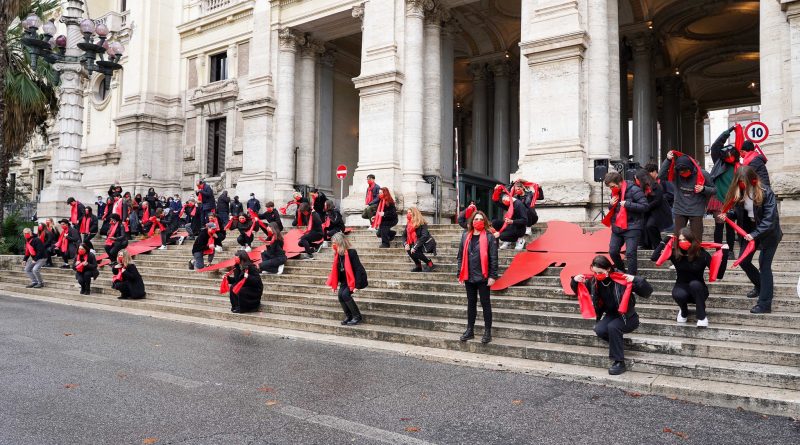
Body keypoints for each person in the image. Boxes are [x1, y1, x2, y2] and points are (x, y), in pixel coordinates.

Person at [570, 255, 653, 375]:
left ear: (608, 269)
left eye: (600, 272)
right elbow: (578, 291)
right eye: (595, 272)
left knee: (613, 327)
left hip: (628, 316)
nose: (597, 275)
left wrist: (635, 279)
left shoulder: (621, 279)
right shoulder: (594, 281)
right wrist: (575, 281)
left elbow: (647, 291)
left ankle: (619, 362)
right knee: (599, 329)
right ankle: (617, 344)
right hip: (611, 315)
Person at [720, 165, 782, 314]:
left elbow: (770, 218)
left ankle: (765, 304)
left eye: (744, 182)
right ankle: (761, 285)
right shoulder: (740, 192)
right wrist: (728, 215)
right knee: (744, 261)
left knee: (764, 265)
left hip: (768, 234)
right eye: (739, 182)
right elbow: (738, 212)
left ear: (752, 180)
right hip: (749, 232)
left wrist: (755, 234)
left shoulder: (766, 192)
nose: (742, 185)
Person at [665, 228, 729, 328]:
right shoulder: (676, 254)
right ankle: (683, 310)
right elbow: (655, 258)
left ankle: (702, 316)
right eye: (680, 240)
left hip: (699, 289)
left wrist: (725, 255)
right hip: (681, 287)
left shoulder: (702, 254)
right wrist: (665, 240)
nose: (682, 242)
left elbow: (719, 274)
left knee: (694, 284)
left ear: (691, 240)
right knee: (678, 294)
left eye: (685, 239)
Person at [457, 211, 499, 344]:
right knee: (471, 303)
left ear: (485, 221)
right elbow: (460, 256)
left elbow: (493, 257)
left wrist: (493, 275)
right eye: (476, 219)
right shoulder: (465, 236)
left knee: (485, 303)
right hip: (468, 275)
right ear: (472, 221)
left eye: (481, 219)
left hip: (483, 276)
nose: (478, 221)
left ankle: (487, 331)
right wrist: (460, 273)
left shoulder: (489, 237)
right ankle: (470, 330)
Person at [659, 150, 715, 241]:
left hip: (696, 209)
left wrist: (703, 189)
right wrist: (668, 160)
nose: (683, 173)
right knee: (678, 237)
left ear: (691, 168)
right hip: (680, 208)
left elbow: (714, 190)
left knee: (696, 238)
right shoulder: (676, 174)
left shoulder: (702, 174)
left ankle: (695, 254)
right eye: (681, 172)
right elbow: (661, 176)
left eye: (685, 171)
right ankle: (678, 255)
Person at [602, 171, 648, 275]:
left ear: (619, 182)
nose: (611, 189)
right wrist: (610, 205)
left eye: (612, 186)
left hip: (633, 226)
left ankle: (631, 277)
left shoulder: (634, 190)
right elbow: (615, 209)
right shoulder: (614, 191)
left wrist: (628, 204)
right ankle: (621, 270)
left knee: (630, 253)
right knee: (613, 251)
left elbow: (645, 206)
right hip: (617, 227)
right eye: (610, 187)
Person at [709, 127, 740, 256]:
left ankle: (730, 250)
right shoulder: (718, 162)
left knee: (731, 227)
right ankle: (718, 250)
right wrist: (729, 131)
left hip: (733, 199)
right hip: (718, 198)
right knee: (719, 225)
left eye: (731, 155)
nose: (729, 157)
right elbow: (716, 145)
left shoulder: (738, 166)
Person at [326, 232, 368, 325]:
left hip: (355, 279)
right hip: (345, 280)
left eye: (335, 242)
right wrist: (334, 284)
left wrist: (356, 285)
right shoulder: (337, 254)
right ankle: (349, 316)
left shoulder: (351, 252)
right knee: (340, 295)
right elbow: (336, 271)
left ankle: (357, 316)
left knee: (345, 294)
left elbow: (358, 269)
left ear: (340, 242)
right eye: (333, 243)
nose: (333, 245)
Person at [634, 170, 672, 250]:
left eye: (637, 179)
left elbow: (657, 201)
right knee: (643, 225)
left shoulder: (656, 186)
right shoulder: (640, 188)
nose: (636, 181)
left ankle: (658, 245)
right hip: (648, 211)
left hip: (658, 211)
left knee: (650, 225)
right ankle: (646, 244)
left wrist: (645, 207)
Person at [404, 207, 437, 272]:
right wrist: (405, 244)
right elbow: (403, 236)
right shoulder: (408, 224)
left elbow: (424, 236)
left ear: (414, 213)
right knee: (409, 248)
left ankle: (430, 264)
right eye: (407, 213)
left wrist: (415, 247)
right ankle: (418, 266)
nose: (408, 214)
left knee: (414, 250)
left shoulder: (422, 223)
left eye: (410, 213)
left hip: (425, 243)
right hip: (416, 243)